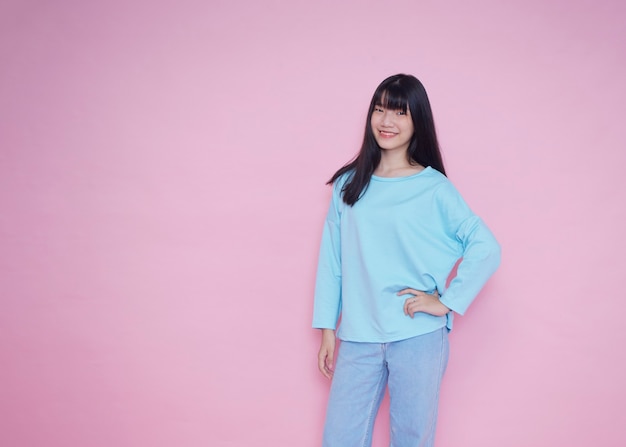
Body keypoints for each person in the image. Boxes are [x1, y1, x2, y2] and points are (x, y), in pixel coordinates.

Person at [312, 74, 501, 447]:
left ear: (417, 120)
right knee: (340, 438)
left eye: (399, 112)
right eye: (379, 110)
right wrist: (327, 328)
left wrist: (446, 302)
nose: (386, 121)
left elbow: (486, 247)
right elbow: (332, 259)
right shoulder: (349, 185)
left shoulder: (434, 188)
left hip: (417, 334)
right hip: (358, 334)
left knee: (412, 439)